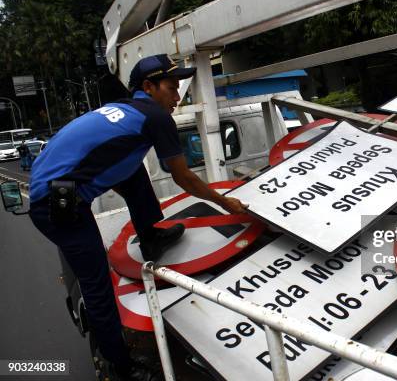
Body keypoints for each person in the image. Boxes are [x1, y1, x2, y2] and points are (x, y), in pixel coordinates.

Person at [28, 54, 248, 381]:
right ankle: (122, 366)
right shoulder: (156, 118)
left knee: (131, 164)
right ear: (148, 87)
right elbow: (183, 177)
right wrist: (224, 202)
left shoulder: (127, 110)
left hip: (51, 182)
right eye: (172, 89)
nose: (177, 97)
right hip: (55, 199)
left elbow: (107, 157)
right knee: (97, 282)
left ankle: (150, 235)